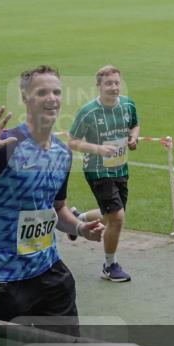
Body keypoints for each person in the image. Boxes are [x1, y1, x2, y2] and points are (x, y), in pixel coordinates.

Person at [0, 67, 104, 325]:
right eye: (42, 92)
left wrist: (80, 228)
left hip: (49, 269)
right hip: (5, 276)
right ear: (25, 97)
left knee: (66, 345)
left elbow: (57, 209)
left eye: (56, 92)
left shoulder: (62, 153)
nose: (51, 98)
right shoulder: (4, 146)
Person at [67, 65, 139, 282]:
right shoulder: (88, 112)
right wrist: (98, 149)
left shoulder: (127, 105)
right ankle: (109, 266)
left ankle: (77, 219)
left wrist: (134, 138)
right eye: (108, 83)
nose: (114, 87)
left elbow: (135, 125)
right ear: (99, 85)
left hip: (120, 168)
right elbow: (72, 141)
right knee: (117, 218)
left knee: (110, 216)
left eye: (117, 82)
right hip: (97, 170)